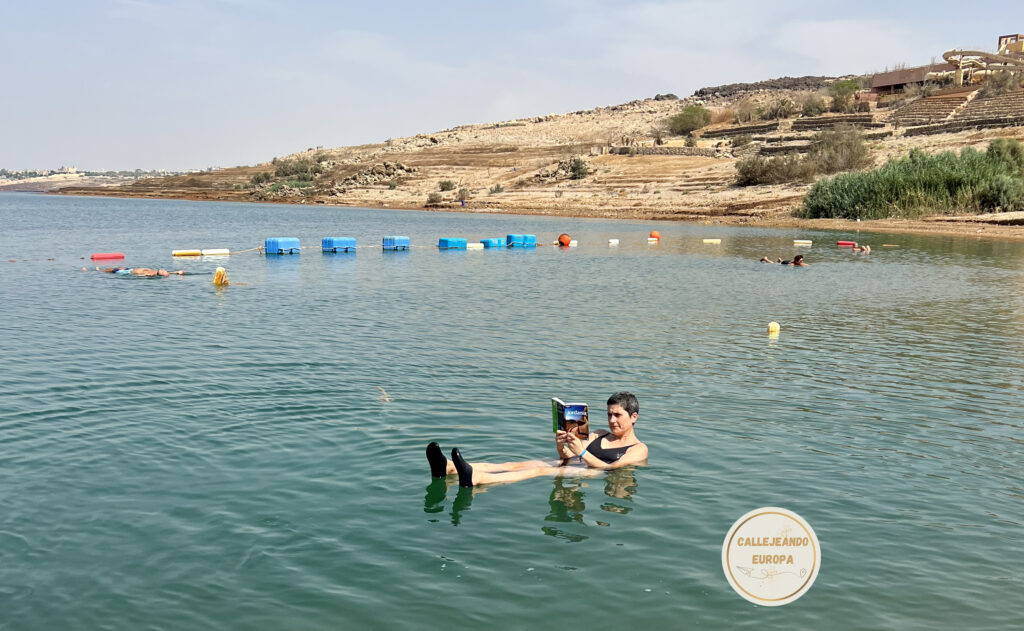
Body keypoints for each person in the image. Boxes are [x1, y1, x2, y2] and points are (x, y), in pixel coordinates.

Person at [426, 391, 648, 487]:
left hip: (592, 473)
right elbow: (568, 455)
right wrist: (563, 445)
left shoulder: (638, 449)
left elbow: (613, 469)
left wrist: (581, 452)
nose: (611, 420)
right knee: (513, 464)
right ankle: (448, 468)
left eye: (617, 415)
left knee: (539, 470)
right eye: (609, 414)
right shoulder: (599, 434)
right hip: (574, 463)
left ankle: (477, 479)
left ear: (633, 416)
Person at [91, 267, 185, 277]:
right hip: (129, 269)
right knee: (112, 268)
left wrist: (144, 275)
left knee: (111, 270)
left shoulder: (150, 274)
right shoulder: (155, 271)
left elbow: (140, 276)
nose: (163, 270)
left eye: (164, 271)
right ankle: (100, 270)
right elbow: (169, 272)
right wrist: (177, 272)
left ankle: (99, 271)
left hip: (126, 273)